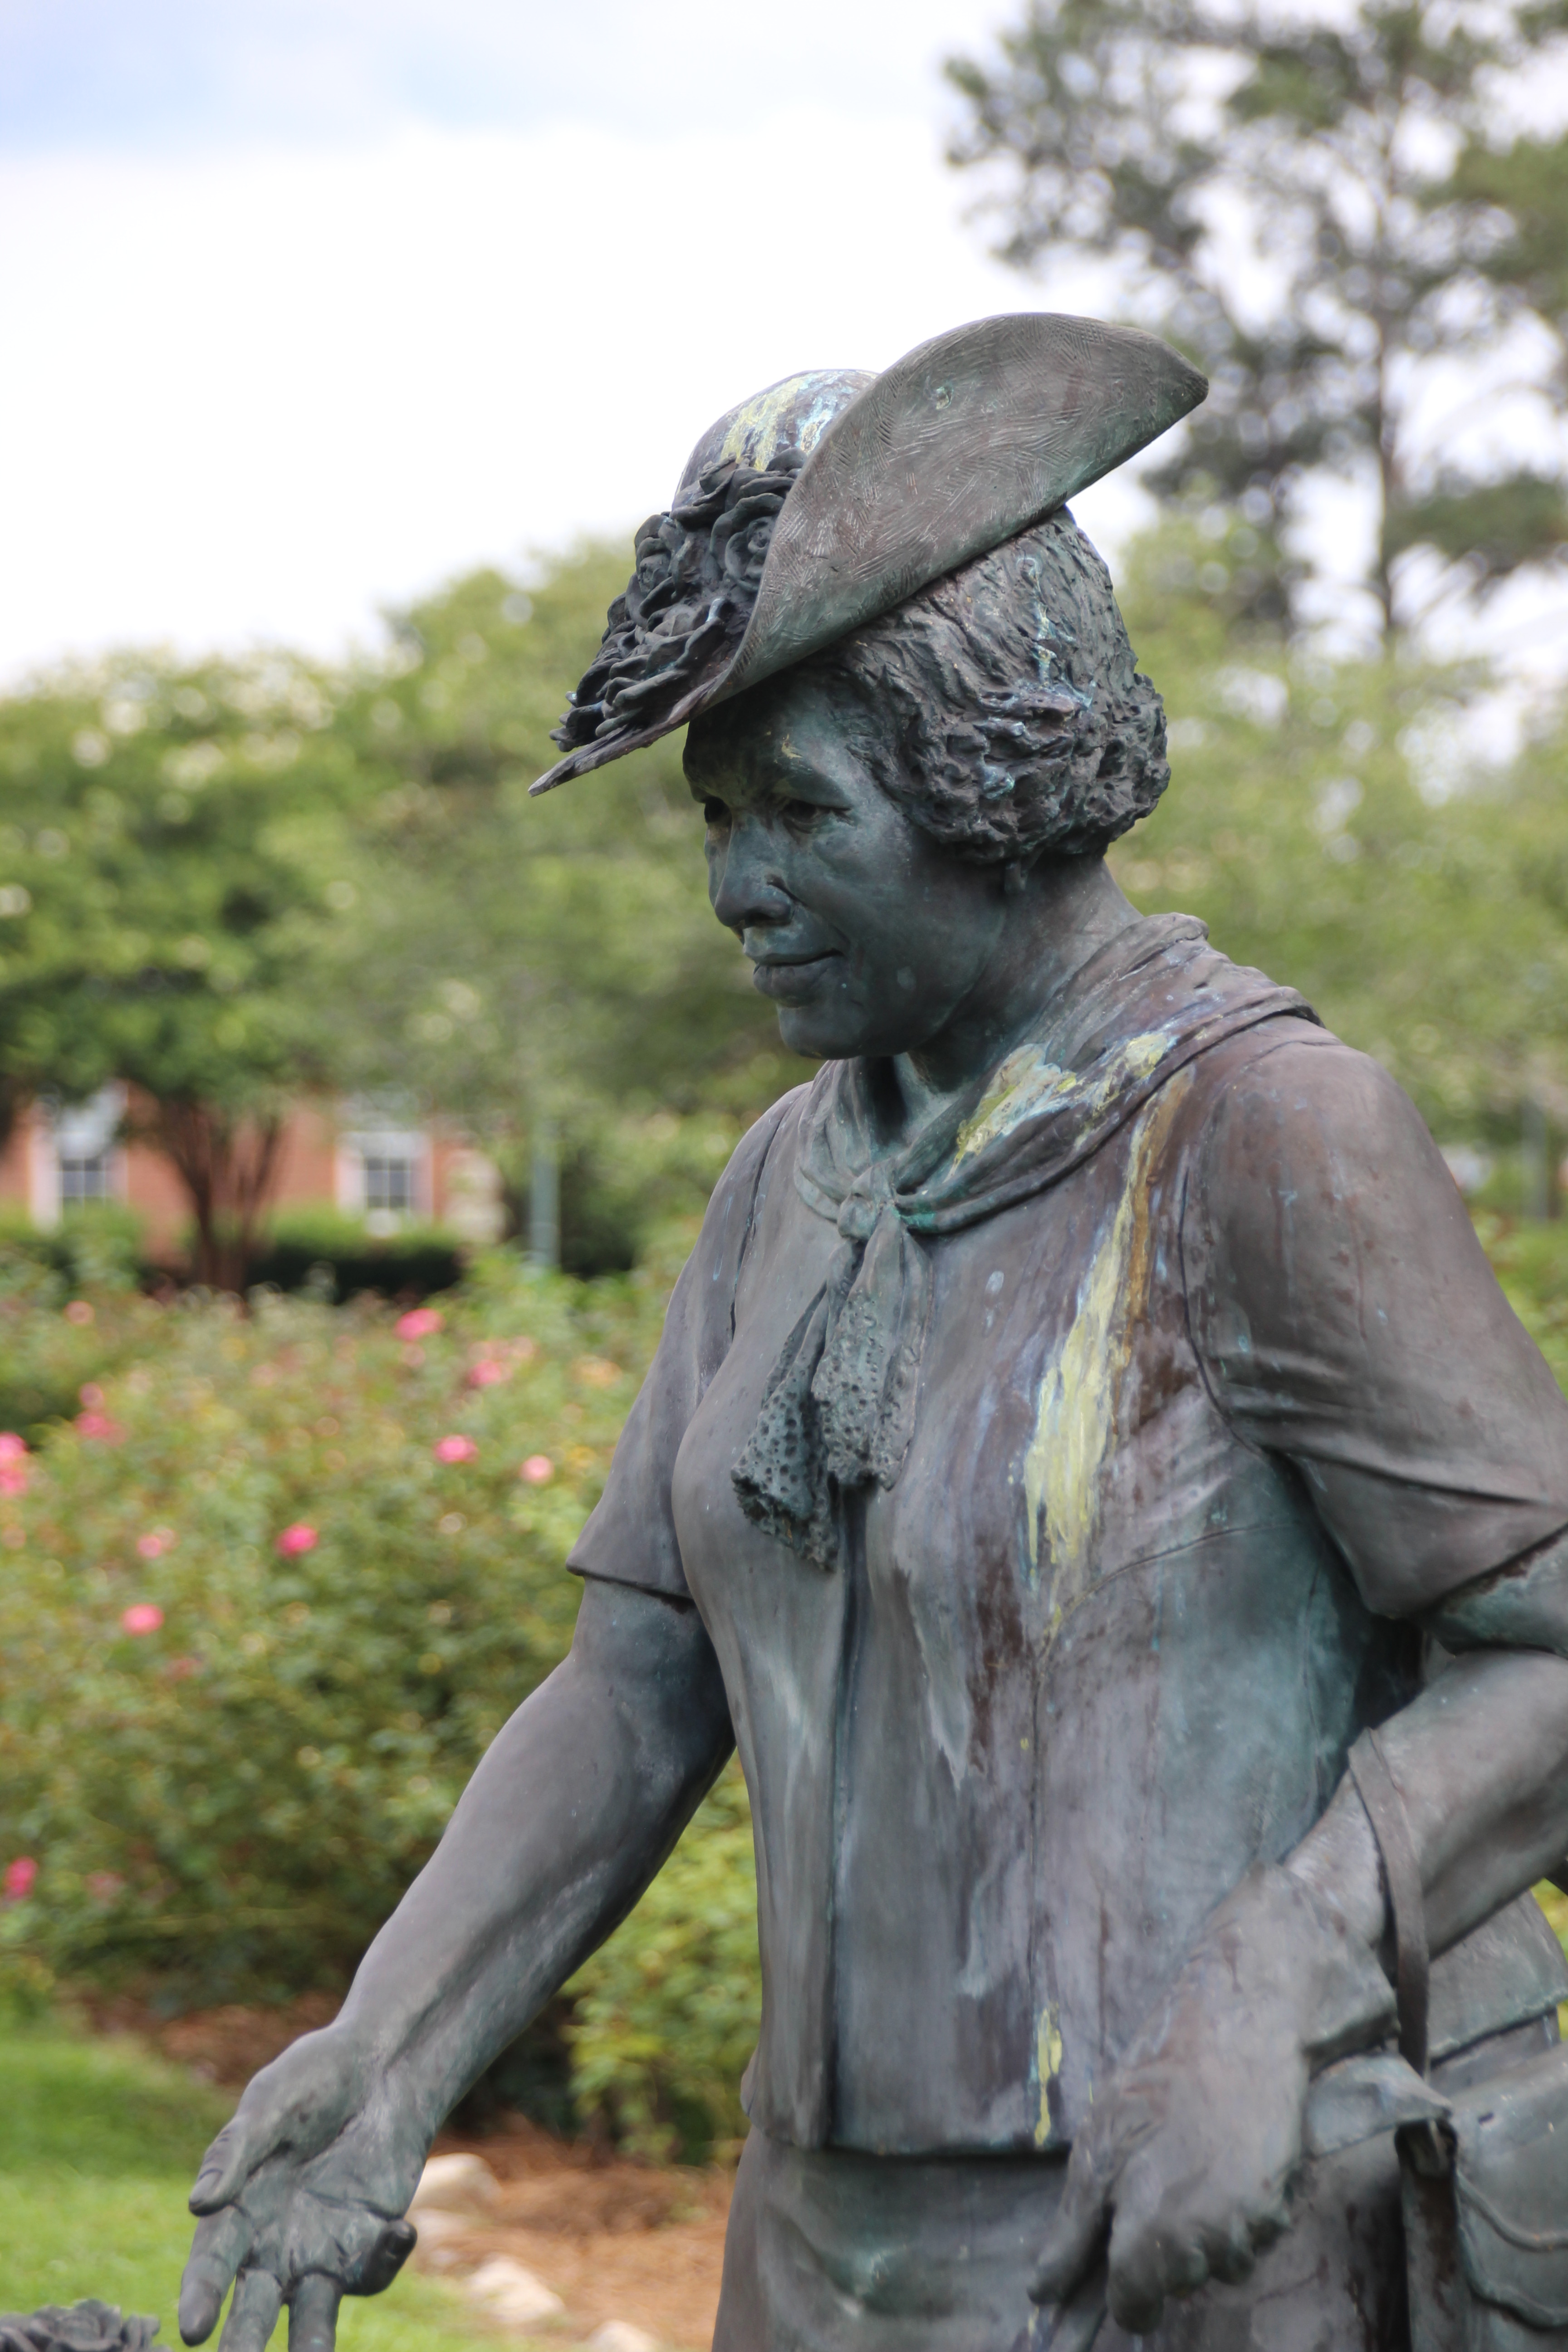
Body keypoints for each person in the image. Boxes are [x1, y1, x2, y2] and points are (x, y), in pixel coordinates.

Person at [179, 316, 1568, 2352]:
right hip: (824, 2253)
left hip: (1206, 2238)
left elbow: (1548, 1652)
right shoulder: (787, 1180)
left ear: (991, 785)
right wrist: (387, 2049)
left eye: (799, 813)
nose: (736, 888)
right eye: (714, 818)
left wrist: (1283, 1974)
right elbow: (639, 1683)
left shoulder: (1261, 1135)